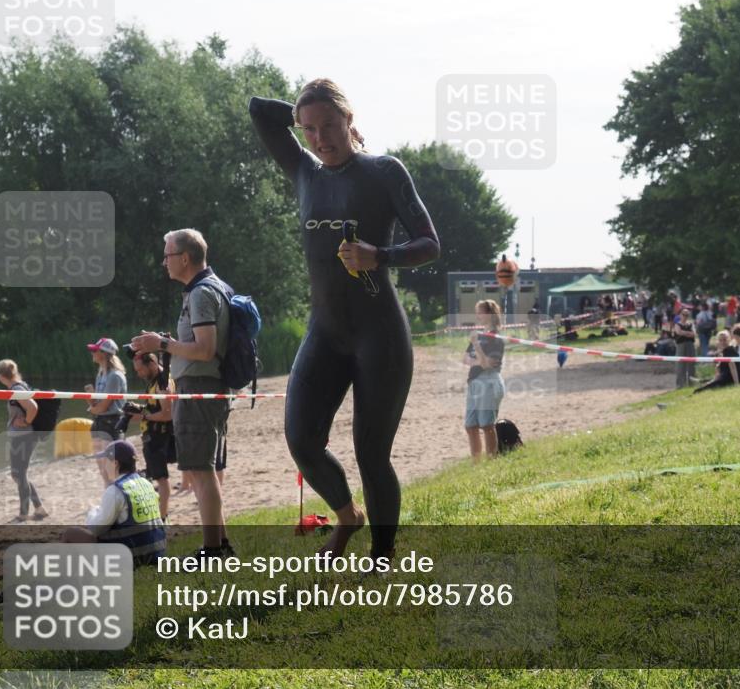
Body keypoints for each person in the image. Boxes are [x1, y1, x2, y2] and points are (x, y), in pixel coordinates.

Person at [249, 80, 440, 563]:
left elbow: (429, 243)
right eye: (309, 129)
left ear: (349, 120)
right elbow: (258, 110)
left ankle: (382, 555)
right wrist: (300, 115)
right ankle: (347, 515)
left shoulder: (384, 171)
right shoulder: (304, 171)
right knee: (302, 440)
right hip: (326, 333)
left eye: (329, 125)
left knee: (371, 454)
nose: (320, 138)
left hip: (380, 335)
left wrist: (381, 255)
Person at [132, 228, 232, 557]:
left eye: (167, 256)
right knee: (204, 470)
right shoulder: (208, 288)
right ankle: (220, 545)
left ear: (185, 258)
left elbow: (205, 350)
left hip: (199, 388)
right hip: (205, 387)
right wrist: (162, 343)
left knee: (201, 471)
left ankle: (213, 549)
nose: (164, 262)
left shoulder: (202, 293)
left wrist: (161, 344)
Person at [61, 440, 166, 568]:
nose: (104, 466)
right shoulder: (146, 484)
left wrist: (91, 512)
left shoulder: (116, 490)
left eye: (106, 461)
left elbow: (96, 529)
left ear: (115, 463)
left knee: (70, 533)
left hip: (132, 557)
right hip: (156, 553)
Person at [0, 360, 48, 523]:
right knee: (18, 474)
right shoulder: (19, 386)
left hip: (23, 436)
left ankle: (24, 513)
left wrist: (25, 421)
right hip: (21, 436)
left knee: (19, 473)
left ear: (0, 376)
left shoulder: (17, 389)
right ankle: (39, 508)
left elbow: (32, 407)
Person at [125, 352, 175, 522]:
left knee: (161, 479)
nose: (139, 374)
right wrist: (139, 409)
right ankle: (160, 515)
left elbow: (167, 414)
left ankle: (162, 517)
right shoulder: (155, 381)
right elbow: (156, 408)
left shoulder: (162, 382)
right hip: (153, 436)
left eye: (140, 370)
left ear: (152, 364)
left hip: (158, 437)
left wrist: (143, 416)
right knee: (157, 477)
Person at [463, 300, 506, 461]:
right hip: (474, 382)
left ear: (489, 314)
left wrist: (476, 345)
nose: (477, 316)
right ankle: (476, 463)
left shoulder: (496, 337)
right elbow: (465, 359)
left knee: (487, 425)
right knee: (470, 426)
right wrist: (479, 360)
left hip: (489, 382)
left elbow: (487, 365)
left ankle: (491, 461)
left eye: (480, 312)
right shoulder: (479, 334)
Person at [86, 338, 127, 486]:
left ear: (104, 353)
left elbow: (103, 407)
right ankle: (109, 496)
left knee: (111, 469)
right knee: (102, 469)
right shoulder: (101, 374)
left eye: (95, 350)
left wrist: (93, 407)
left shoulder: (115, 376)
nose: (92, 353)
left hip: (112, 422)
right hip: (99, 422)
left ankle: (117, 496)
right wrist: (90, 398)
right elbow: (97, 404)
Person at [673, 308, 697, 388]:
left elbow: (694, 334)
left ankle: (691, 384)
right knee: (680, 365)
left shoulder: (691, 324)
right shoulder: (677, 324)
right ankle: (680, 385)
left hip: (690, 345)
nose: (685, 316)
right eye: (683, 314)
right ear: (680, 315)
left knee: (691, 365)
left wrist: (684, 333)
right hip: (681, 345)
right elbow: (678, 332)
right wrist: (688, 333)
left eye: (687, 315)